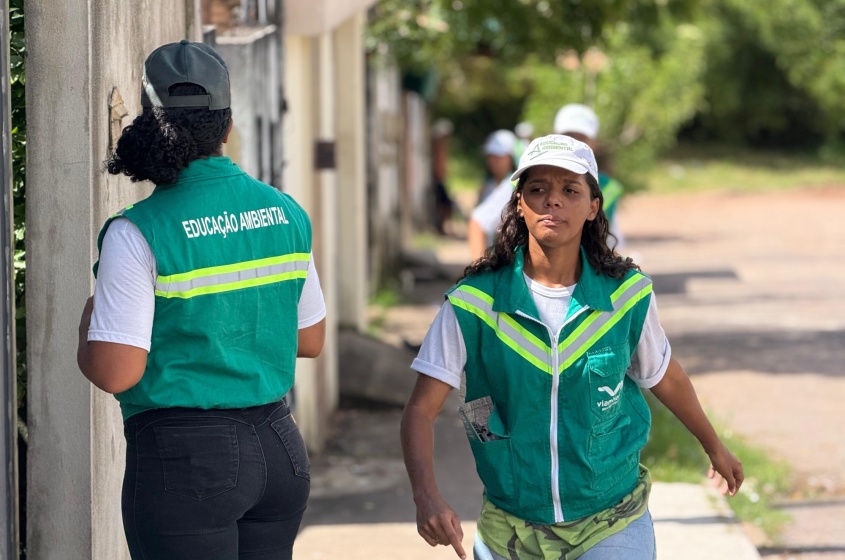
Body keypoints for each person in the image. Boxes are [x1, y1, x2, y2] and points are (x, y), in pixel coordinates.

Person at [401, 134, 743, 560]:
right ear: (519, 204)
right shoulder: (475, 303)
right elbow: (420, 409)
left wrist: (713, 444)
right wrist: (426, 497)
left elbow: (665, 376)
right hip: (511, 524)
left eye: (569, 190)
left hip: (610, 516)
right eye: (537, 189)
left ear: (593, 206)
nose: (552, 201)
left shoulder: (626, 298)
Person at [76, 40, 326, 560]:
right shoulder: (285, 211)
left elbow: (116, 371)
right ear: (228, 126)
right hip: (279, 450)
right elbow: (309, 339)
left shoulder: (138, 231)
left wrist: (87, 327)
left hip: (185, 464)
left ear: (149, 121)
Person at [553, 104, 626, 251]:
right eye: (569, 136)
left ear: (594, 142)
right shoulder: (526, 179)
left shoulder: (610, 186)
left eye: (581, 138)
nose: (575, 144)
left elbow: (612, 236)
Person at [468, 129, 518, 260]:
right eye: (490, 156)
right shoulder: (488, 185)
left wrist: (476, 270)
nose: (493, 161)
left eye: (498, 156)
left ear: (510, 157)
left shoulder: (510, 186)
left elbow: (477, 222)